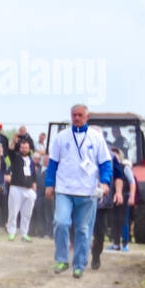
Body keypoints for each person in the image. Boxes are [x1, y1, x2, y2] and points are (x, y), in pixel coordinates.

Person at [45, 103, 112, 278]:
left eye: (80, 115)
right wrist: (49, 184)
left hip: (88, 191)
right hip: (64, 189)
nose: (76, 118)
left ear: (87, 117)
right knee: (61, 222)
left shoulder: (96, 138)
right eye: (73, 115)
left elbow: (106, 163)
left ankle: (79, 265)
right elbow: (53, 164)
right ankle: (62, 259)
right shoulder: (61, 137)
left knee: (83, 230)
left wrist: (105, 183)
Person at [89, 140, 126, 270]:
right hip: (82, 198)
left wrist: (119, 192)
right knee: (82, 229)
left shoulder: (110, 156)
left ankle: (96, 254)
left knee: (99, 232)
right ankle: (79, 258)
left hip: (102, 200)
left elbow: (119, 176)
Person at [4, 137, 39, 241]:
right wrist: (13, 142)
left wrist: (34, 188)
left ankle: (24, 234)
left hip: (29, 189)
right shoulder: (15, 158)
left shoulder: (31, 161)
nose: (24, 149)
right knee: (13, 211)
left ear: (29, 149)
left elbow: (33, 175)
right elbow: (9, 151)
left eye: (26, 147)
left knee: (27, 213)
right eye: (22, 147)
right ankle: (11, 232)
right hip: (16, 188)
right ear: (20, 148)